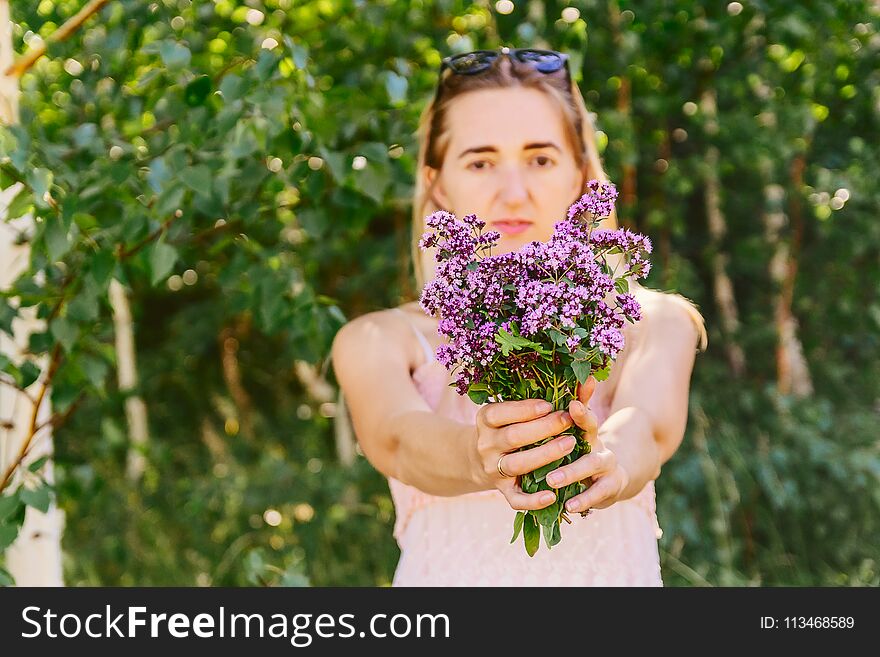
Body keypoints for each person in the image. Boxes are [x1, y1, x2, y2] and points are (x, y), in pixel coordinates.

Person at [331, 47, 708, 586]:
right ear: (437, 182)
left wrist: (608, 461)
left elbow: (645, 429)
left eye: (540, 159)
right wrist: (481, 454)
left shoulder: (652, 322)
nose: (513, 193)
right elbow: (398, 438)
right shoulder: (379, 339)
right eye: (480, 162)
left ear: (580, 172)